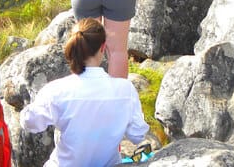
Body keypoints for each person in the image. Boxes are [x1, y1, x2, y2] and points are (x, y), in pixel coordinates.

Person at [20, 18, 149, 167]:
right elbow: (137, 134)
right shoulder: (126, 90)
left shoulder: (56, 91)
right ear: (103, 47)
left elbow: (30, 123)